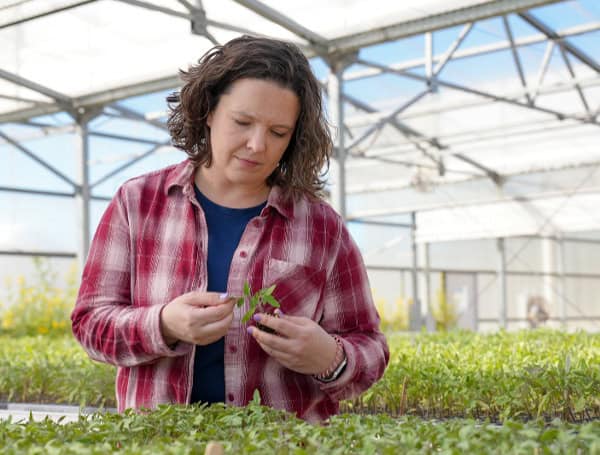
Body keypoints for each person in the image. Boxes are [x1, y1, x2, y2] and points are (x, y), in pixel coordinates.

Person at [71, 35, 389, 423]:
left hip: (284, 447)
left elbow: (369, 345)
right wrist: (164, 323)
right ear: (208, 111)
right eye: (242, 122)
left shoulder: (321, 227)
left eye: (278, 132)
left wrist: (330, 357)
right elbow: (90, 324)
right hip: (159, 444)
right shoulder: (137, 203)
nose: (257, 145)